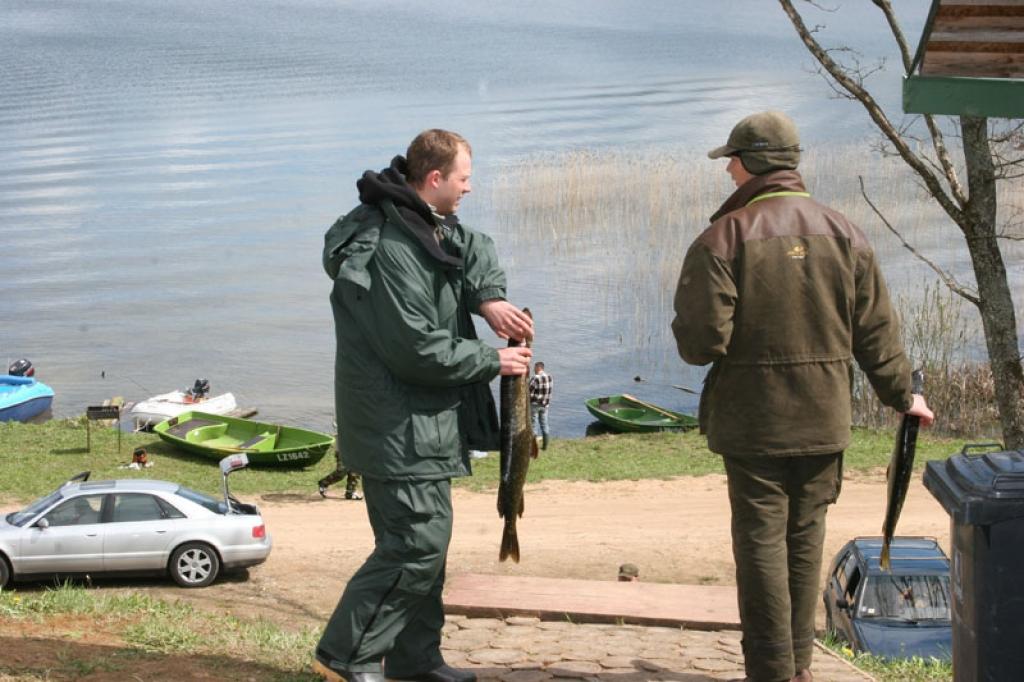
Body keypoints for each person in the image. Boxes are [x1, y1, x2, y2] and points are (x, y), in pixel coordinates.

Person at [671, 111, 934, 682]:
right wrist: (903, 396)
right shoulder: (846, 233)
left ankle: (770, 672)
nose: (729, 171)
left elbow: (700, 344)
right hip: (823, 420)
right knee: (804, 542)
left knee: (762, 546)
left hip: (753, 424)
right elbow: (877, 334)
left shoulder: (723, 237)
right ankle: (799, 670)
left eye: (731, 161)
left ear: (749, 165)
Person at [314, 129, 533, 682]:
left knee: (425, 551)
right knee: (416, 545)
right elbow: (415, 349)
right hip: (396, 426)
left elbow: (469, 245)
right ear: (434, 179)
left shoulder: (420, 222)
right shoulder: (387, 250)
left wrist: (489, 297)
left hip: (424, 425)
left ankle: (415, 661)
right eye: (464, 178)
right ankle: (347, 654)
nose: (470, 187)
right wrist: (493, 362)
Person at [528, 361, 553, 450]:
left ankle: (533, 448)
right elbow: (549, 391)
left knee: (533, 425)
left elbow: (528, 391)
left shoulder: (535, 378)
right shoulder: (550, 377)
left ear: (538, 368)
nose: (533, 370)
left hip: (535, 405)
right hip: (545, 405)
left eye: (534, 368)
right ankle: (545, 446)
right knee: (544, 425)